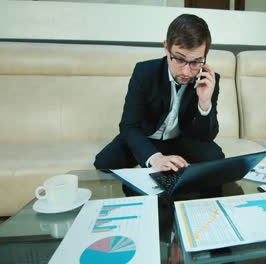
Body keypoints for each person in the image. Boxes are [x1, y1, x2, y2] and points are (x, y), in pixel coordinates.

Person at [94, 14, 225, 195]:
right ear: (166, 47)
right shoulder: (145, 72)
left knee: (215, 158)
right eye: (179, 59)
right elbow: (128, 126)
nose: (187, 71)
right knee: (104, 162)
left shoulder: (209, 80)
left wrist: (204, 102)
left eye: (195, 62)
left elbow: (207, 136)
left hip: (182, 139)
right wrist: (155, 159)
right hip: (147, 137)